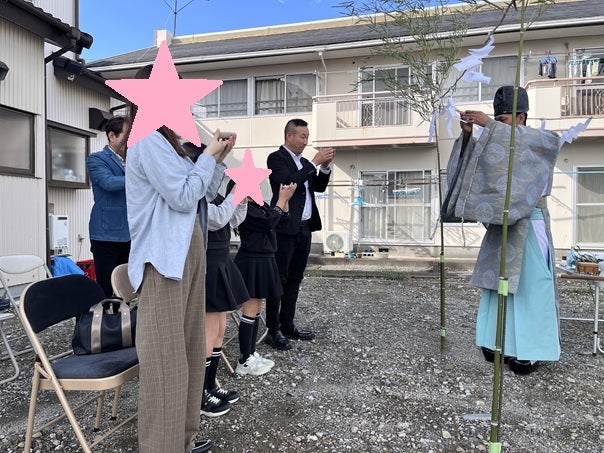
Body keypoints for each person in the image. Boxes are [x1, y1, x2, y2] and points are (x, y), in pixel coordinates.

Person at [125, 64, 235, 453]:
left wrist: (216, 160)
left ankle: (183, 440)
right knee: (165, 362)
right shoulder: (147, 141)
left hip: (185, 252)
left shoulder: (169, 142)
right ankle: (162, 446)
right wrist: (208, 158)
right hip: (163, 259)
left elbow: (199, 192)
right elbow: (184, 196)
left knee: (187, 353)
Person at [448, 86, 560, 375]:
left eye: (503, 120)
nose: (496, 125)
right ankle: (496, 342)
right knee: (497, 288)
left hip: (529, 223)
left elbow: (545, 146)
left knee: (530, 288)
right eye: (496, 119)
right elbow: (472, 167)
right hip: (502, 225)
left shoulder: (539, 140)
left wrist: (489, 125)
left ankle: (529, 350)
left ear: (521, 118)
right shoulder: (496, 140)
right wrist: (469, 136)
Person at [265, 119, 334, 350]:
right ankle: (273, 329)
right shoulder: (276, 158)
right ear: (289, 136)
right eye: (302, 136)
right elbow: (288, 183)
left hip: (304, 227)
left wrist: (325, 167)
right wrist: (315, 163)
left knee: (295, 278)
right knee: (279, 279)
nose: (306, 141)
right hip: (285, 228)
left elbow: (318, 186)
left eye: (307, 137)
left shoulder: (304, 162)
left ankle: (287, 324)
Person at [234, 183, 297, 371]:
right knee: (250, 308)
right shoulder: (244, 208)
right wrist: (282, 199)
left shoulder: (261, 206)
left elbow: (282, 222)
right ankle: (244, 359)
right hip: (251, 261)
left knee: (256, 308)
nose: (258, 189)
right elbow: (268, 222)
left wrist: (285, 201)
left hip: (264, 259)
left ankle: (251, 353)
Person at [87, 116, 131, 296]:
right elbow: (108, 182)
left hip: (131, 233)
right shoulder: (97, 159)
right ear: (111, 136)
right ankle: (106, 314)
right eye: (127, 136)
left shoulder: (133, 160)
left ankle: (124, 314)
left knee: (126, 288)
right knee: (106, 287)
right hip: (106, 235)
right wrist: (141, 176)